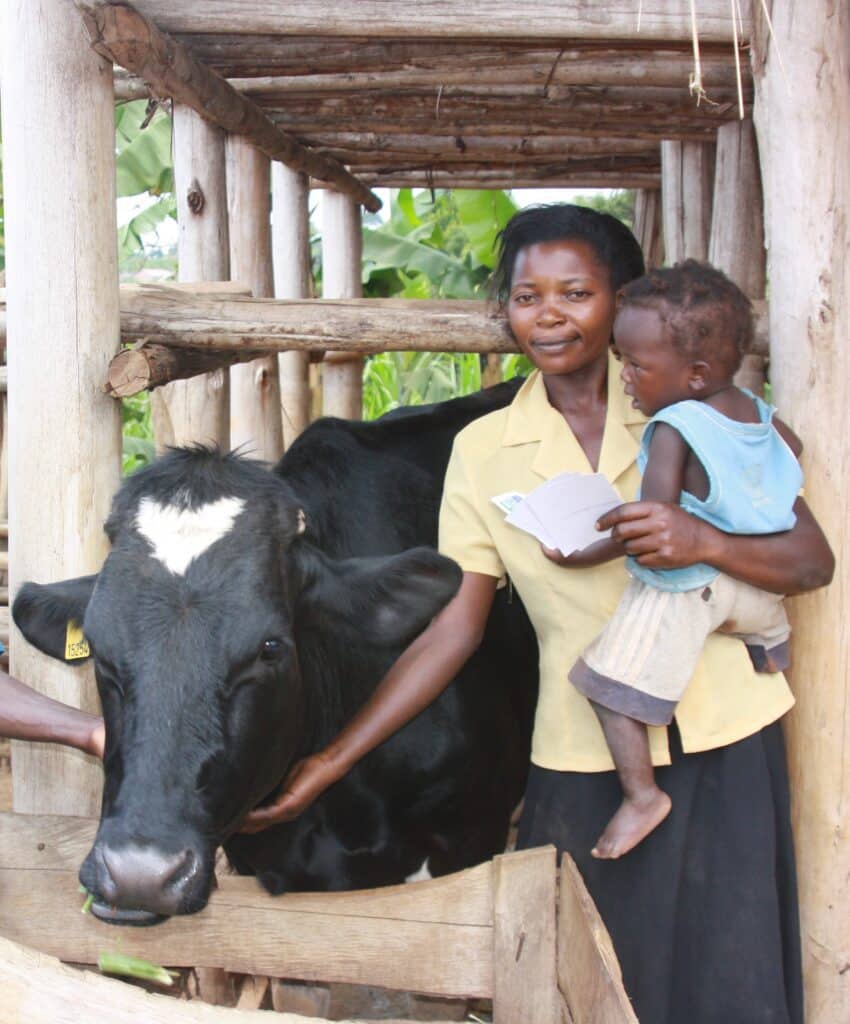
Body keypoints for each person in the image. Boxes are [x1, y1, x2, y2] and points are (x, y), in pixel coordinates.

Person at [3, 205, 834, 1022]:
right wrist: (329, 764)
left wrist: (700, 538)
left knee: (734, 978)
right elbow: (454, 624)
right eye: (525, 296)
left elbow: (809, 560)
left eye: (577, 294)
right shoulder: (481, 452)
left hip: (725, 735)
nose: (549, 315)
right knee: (585, 980)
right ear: (504, 310)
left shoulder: (704, 416)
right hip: (580, 753)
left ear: (623, 301)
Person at [564, 260, 808, 861]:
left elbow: (651, 530)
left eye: (636, 364)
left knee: (601, 683)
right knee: (755, 622)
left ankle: (642, 795)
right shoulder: (757, 413)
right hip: (762, 598)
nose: (624, 377)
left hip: (695, 593)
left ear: (695, 376)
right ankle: (771, 646)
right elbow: (793, 454)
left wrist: (582, 552)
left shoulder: (674, 428)